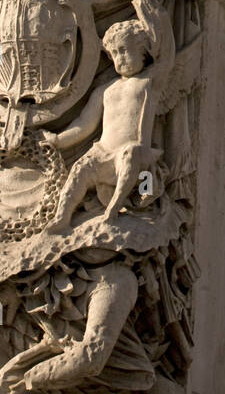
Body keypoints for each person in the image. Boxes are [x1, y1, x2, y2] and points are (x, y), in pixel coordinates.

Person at [45, 15, 174, 232]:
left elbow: (168, 57)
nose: (119, 58)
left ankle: (113, 210)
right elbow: (85, 123)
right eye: (114, 53)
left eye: (124, 50)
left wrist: (153, 10)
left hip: (141, 158)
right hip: (105, 153)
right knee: (80, 169)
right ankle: (62, 217)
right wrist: (58, 140)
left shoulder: (149, 82)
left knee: (130, 154)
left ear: (143, 50)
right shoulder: (105, 90)